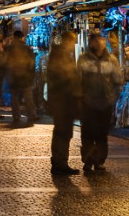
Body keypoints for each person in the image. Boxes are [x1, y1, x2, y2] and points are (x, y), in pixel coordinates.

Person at [79, 32, 123, 172]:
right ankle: (88, 160)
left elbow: (117, 81)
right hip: (88, 103)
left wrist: (112, 98)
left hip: (105, 103)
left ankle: (99, 161)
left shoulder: (111, 60)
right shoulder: (83, 59)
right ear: (91, 43)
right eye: (96, 40)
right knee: (87, 134)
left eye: (101, 40)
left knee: (102, 134)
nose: (99, 43)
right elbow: (77, 80)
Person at [47, 31, 80, 175]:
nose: (73, 45)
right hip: (62, 101)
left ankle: (60, 162)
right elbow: (62, 79)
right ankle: (60, 163)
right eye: (72, 42)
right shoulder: (60, 56)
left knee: (64, 132)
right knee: (63, 132)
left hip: (63, 100)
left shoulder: (61, 55)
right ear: (67, 42)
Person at [5, 30, 37, 127]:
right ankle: (31, 116)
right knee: (28, 98)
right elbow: (32, 63)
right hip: (25, 77)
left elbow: (5, 62)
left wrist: (7, 75)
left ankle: (16, 116)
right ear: (22, 37)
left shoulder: (8, 49)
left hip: (13, 77)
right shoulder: (26, 48)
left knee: (14, 98)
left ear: (14, 37)